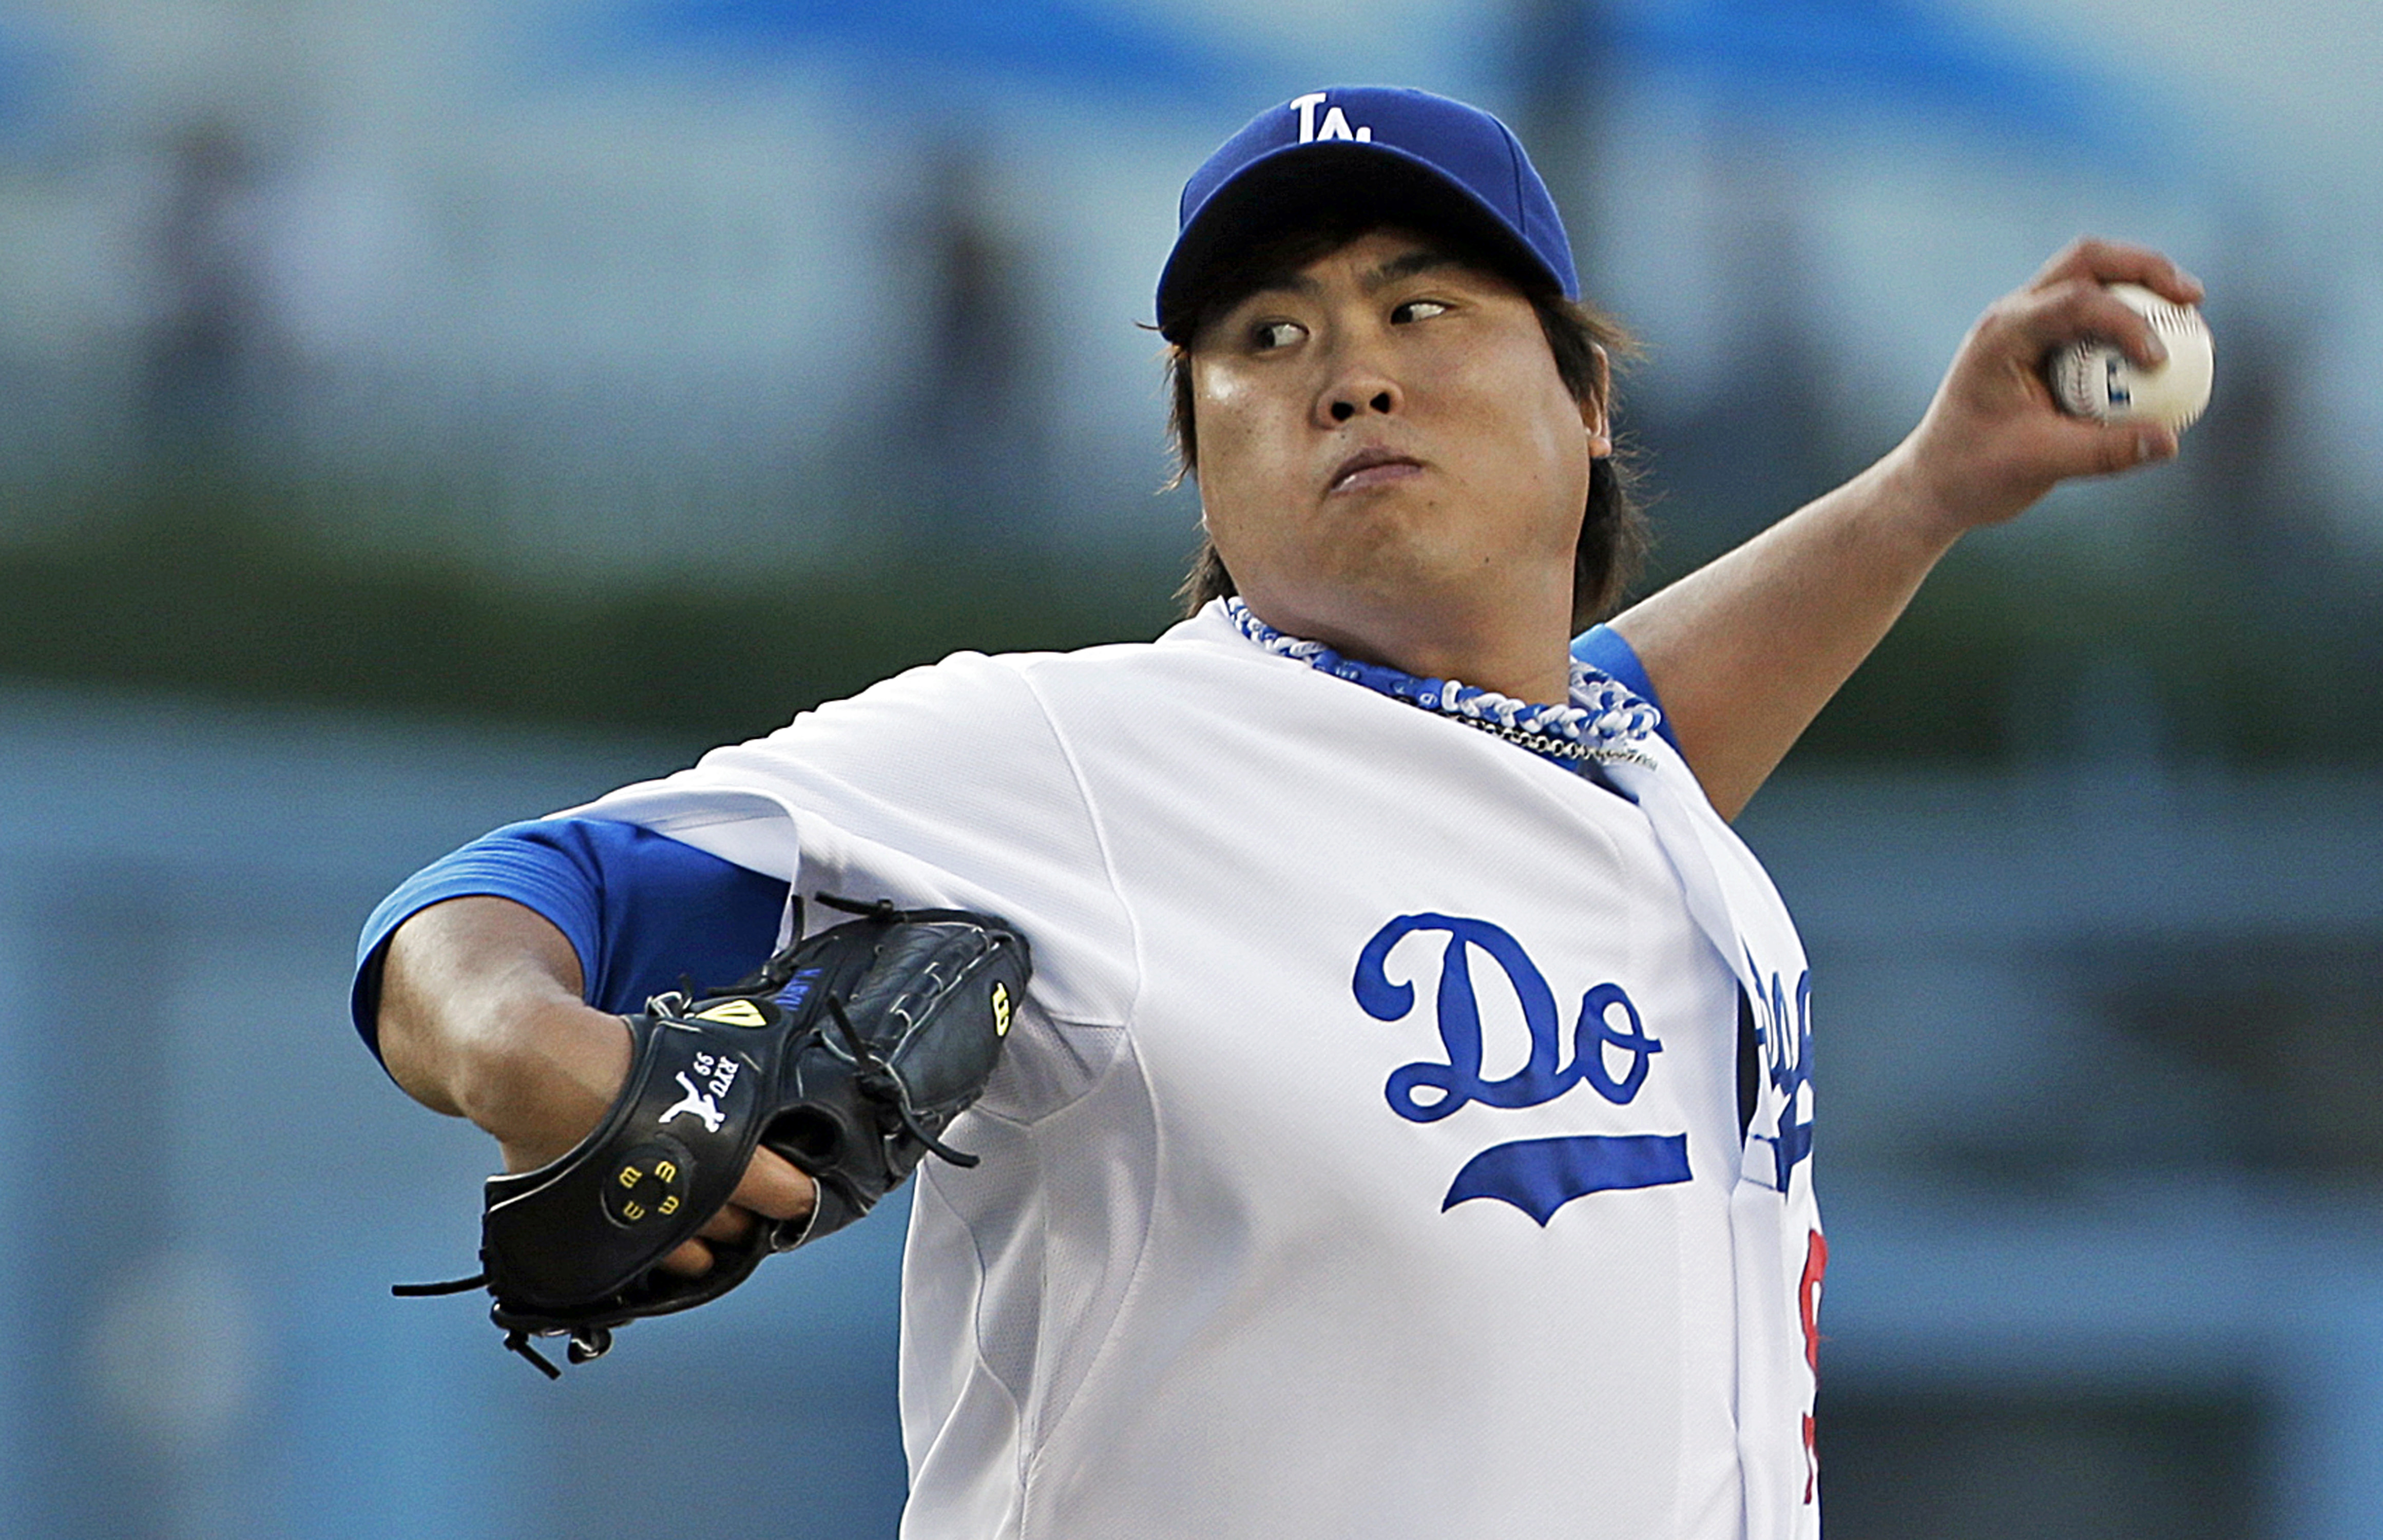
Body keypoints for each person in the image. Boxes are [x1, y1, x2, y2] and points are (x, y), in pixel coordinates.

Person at [354, 86, 2200, 1539]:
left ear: (1582, 404)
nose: (1350, 368)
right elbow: (499, 896)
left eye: (1419, 303)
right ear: (1202, 456)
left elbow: (1601, 724)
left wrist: (1927, 490)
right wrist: (530, 1051)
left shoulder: (1607, 785)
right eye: (1264, 334)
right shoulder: (1078, 758)